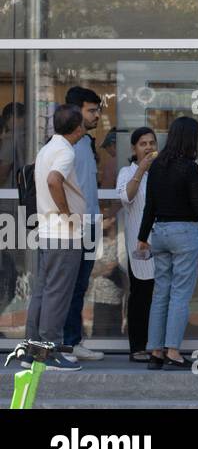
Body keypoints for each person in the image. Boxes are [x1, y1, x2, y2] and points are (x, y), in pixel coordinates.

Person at [138, 116, 198, 369]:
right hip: (185, 234)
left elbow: (150, 205)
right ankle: (173, 351)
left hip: (159, 232)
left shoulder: (157, 166)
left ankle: (156, 351)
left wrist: (141, 237)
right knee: (180, 294)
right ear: (191, 138)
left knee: (160, 294)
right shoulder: (189, 167)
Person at [23, 103, 88, 372]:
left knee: (43, 291)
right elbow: (53, 180)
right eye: (83, 122)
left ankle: (32, 349)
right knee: (58, 294)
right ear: (76, 128)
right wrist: (68, 214)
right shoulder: (64, 151)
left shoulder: (48, 147)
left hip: (48, 231)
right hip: (63, 233)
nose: (86, 126)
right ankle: (49, 352)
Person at [63, 86, 105, 362]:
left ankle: (73, 342)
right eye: (92, 110)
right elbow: (55, 184)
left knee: (80, 286)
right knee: (66, 286)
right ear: (76, 111)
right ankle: (64, 344)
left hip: (91, 223)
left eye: (98, 109)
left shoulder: (87, 143)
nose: (98, 115)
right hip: (74, 226)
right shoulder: (63, 145)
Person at [115, 127, 158, 362]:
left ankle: (158, 345)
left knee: (160, 295)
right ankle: (138, 346)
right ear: (134, 148)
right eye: (143, 143)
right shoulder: (127, 171)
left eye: (152, 142)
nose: (149, 147)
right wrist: (141, 170)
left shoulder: (162, 171)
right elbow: (126, 197)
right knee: (141, 294)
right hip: (139, 244)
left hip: (163, 242)